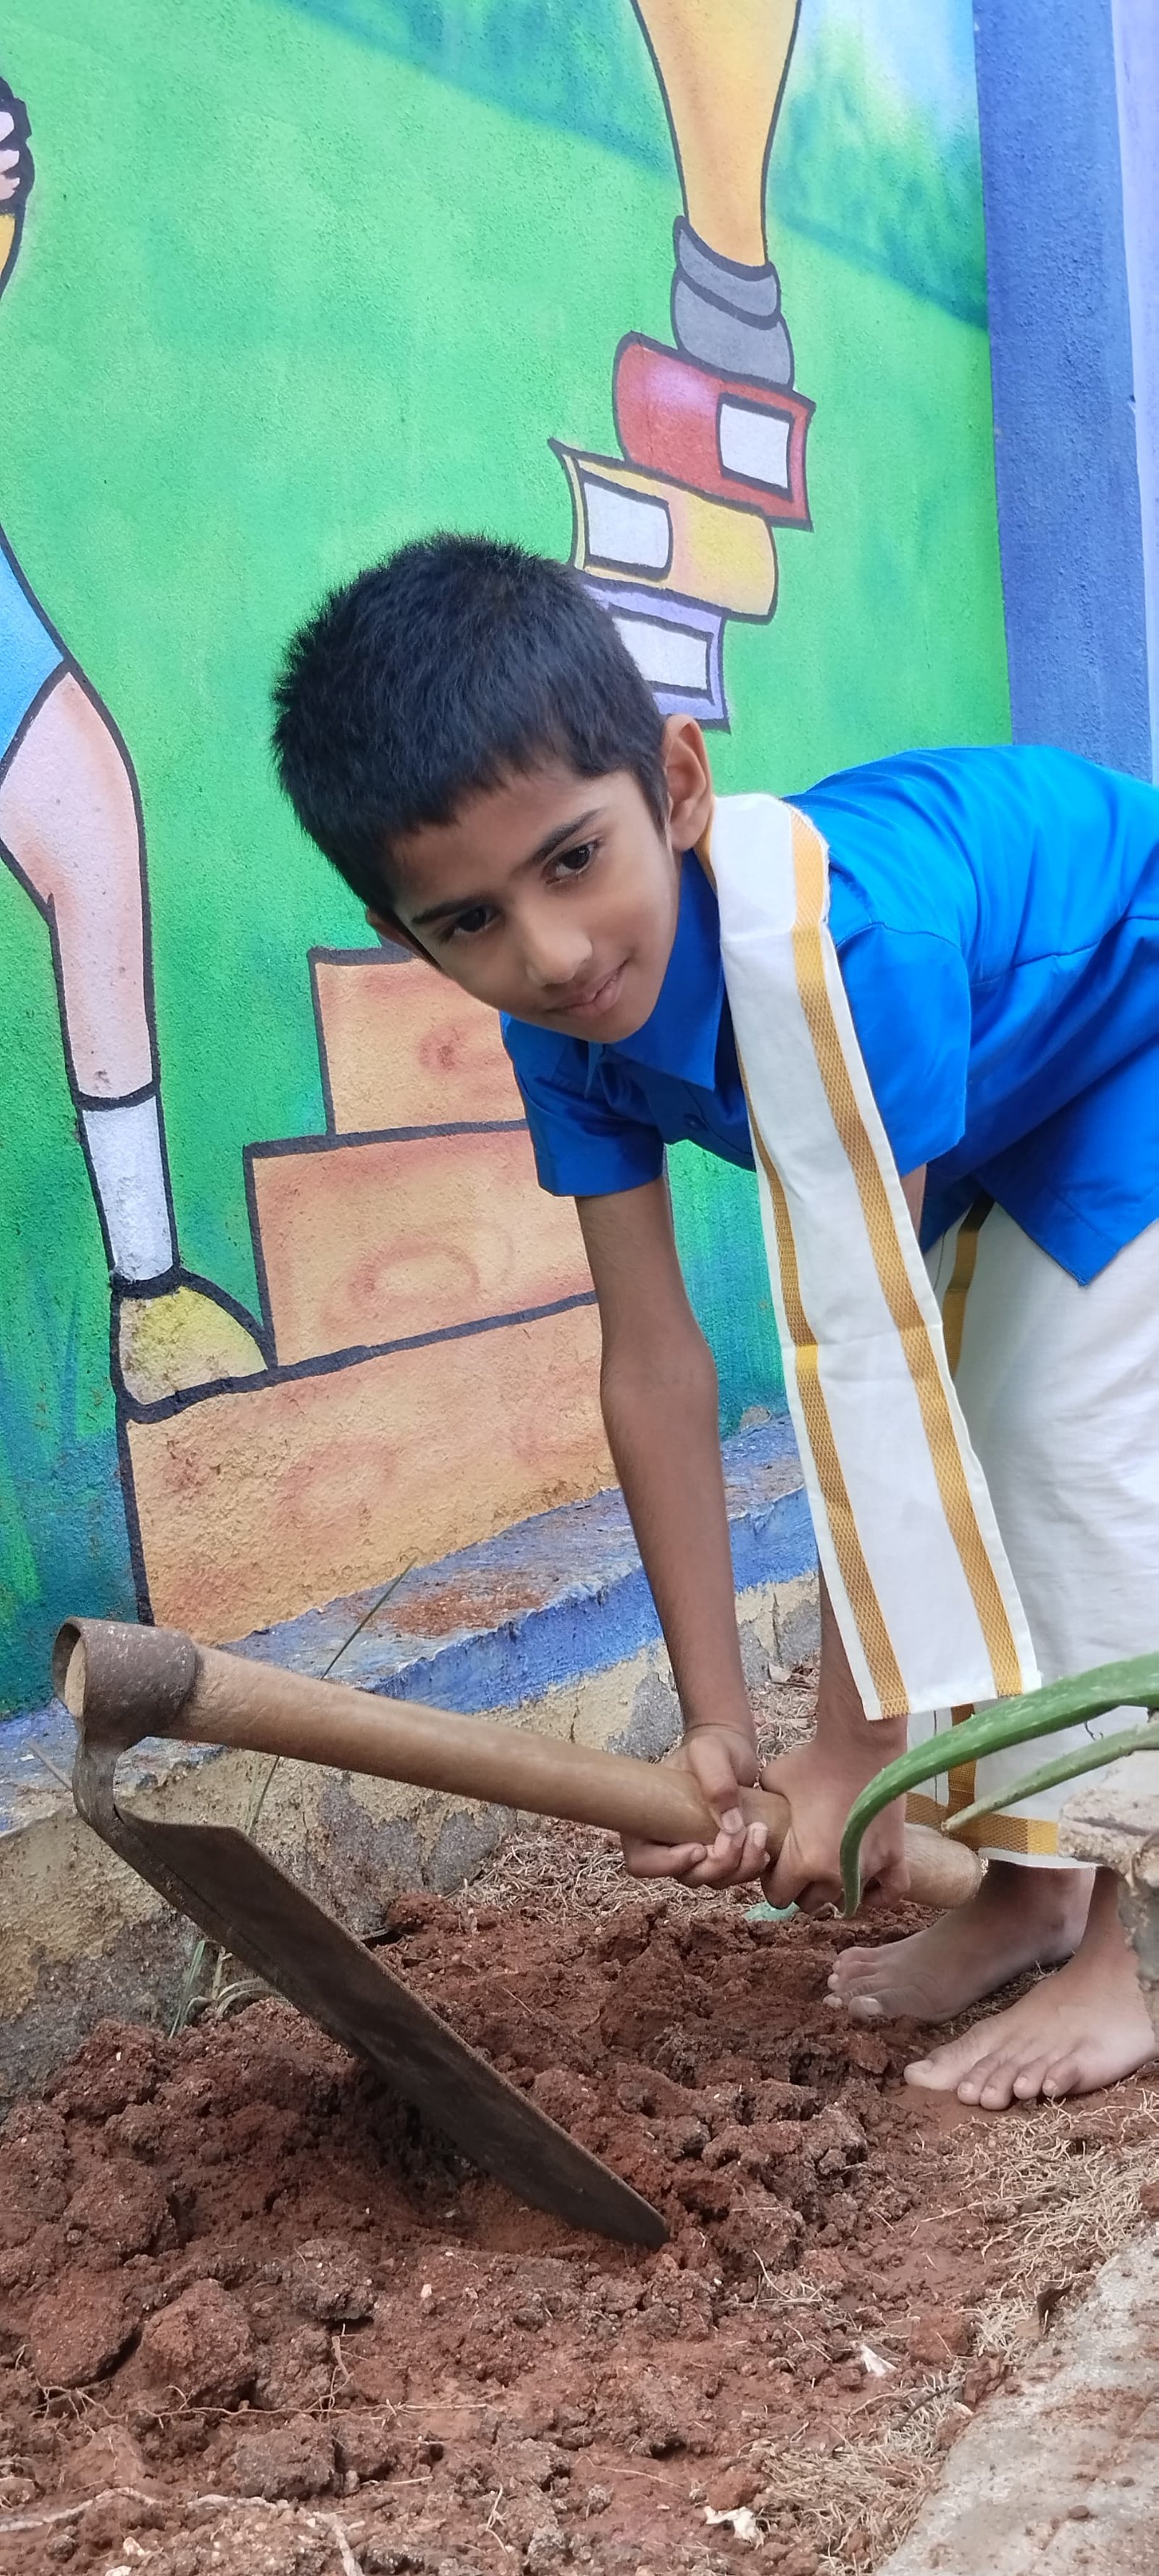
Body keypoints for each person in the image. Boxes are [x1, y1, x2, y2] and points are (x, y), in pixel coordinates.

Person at [271, 533, 1159, 2109]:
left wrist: (853, 1756)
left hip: (1127, 1022)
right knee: (991, 1429)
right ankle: (1031, 1896)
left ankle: (1135, 1943)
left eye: (572, 860)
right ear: (410, 938)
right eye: (467, 922)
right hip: (998, 1095)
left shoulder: (845, 958)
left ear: (677, 787)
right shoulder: (562, 1023)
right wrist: (718, 1732)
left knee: (1050, 1438)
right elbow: (653, 1363)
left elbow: (869, 1371)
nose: (549, 952)